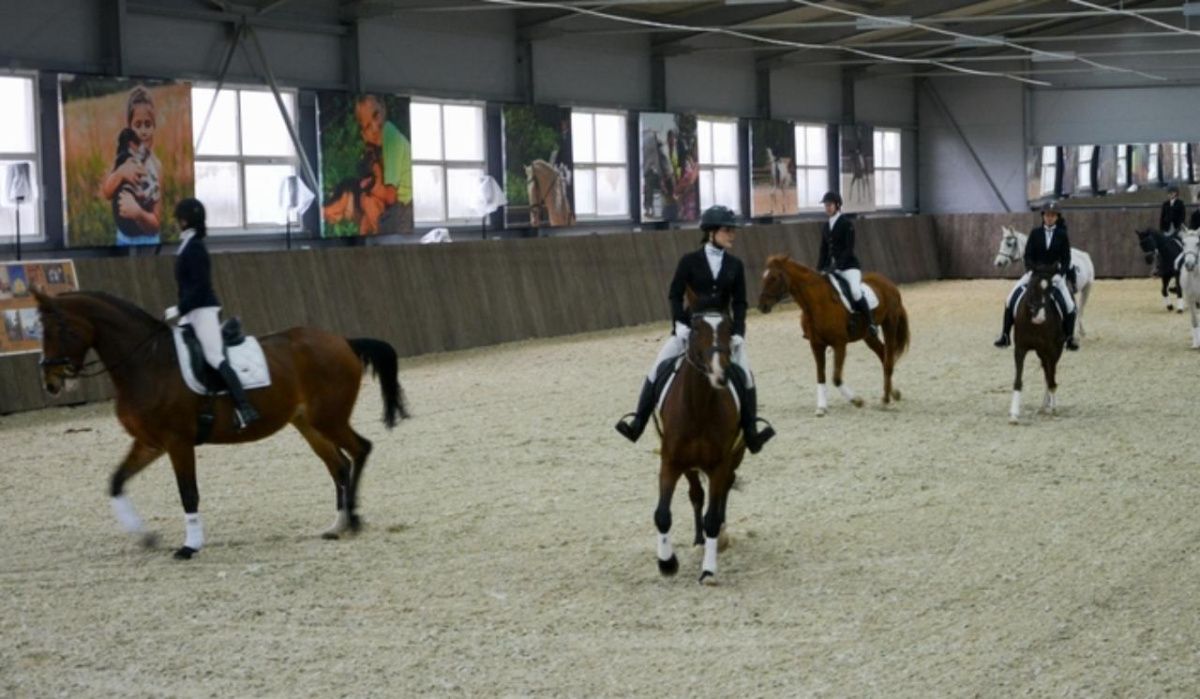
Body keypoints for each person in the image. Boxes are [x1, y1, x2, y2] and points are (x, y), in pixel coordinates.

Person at [614, 205, 775, 454]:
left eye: (732, 230)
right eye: (727, 230)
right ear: (711, 232)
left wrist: (739, 333)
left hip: (722, 332)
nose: (732, 234)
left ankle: (751, 432)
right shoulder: (689, 261)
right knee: (658, 366)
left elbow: (740, 302)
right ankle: (638, 422)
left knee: (745, 373)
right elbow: (675, 295)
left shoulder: (735, 265)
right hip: (692, 330)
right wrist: (679, 324)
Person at [164, 198, 260, 430]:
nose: (177, 223)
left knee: (214, 357)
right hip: (192, 311)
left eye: (178, 219)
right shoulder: (188, 244)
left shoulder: (195, 247)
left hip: (203, 310)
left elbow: (200, 286)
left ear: (184, 220)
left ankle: (244, 407)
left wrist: (180, 308)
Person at [993, 201, 1079, 351]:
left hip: (1054, 275)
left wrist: (1060, 274)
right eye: (1047, 215)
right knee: (1010, 299)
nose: (1050, 218)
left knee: (1070, 305)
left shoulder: (1062, 235)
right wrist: (1030, 269)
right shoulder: (1035, 233)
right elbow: (1028, 255)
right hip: (1035, 273)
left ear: (1057, 217)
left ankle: (1070, 338)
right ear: (1043, 216)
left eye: (1053, 215)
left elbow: (1066, 258)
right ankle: (1005, 335)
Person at [100, 86, 162, 245]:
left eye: (148, 124)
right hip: (123, 239)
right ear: (129, 127)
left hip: (150, 241)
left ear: (154, 126)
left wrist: (138, 213)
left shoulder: (156, 166)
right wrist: (120, 173)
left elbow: (156, 223)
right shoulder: (122, 159)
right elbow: (106, 193)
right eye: (138, 125)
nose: (143, 131)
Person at [818, 191, 878, 337]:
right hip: (831, 269)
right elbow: (823, 250)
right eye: (826, 205)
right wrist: (819, 269)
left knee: (855, 292)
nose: (827, 208)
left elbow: (849, 249)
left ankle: (871, 323)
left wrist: (837, 265)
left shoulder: (846, 224)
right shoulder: (826, 226)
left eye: (830, 205)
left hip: (849, 267)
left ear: (837, 205)